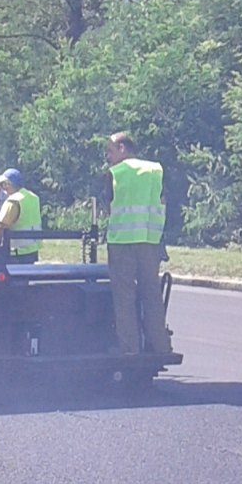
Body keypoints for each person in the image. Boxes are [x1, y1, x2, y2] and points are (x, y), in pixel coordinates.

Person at [104, 132, 172, 356]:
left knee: (125, 297)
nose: (108, 156)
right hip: (150, 242)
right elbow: (163, 201)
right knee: (151, 294)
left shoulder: (115, 174)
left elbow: (108, 206)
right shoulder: (156, 170)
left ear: (122, 148)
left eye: (110, 151)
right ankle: (161, 346)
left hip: (122, 243)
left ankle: (130, 348)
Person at [0, 168, 41, 258]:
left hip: (16, 252)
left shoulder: (13, 201)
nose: (3, 188)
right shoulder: (33, 197)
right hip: (33, 250)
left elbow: (0, 229)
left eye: (3, 184)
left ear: (8, 184)